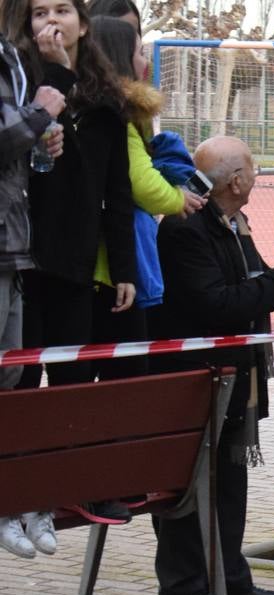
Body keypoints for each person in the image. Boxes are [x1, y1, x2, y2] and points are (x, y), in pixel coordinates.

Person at [150, 136, 274, 595]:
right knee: (189, 485)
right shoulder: (185, 228)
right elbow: (219, 302)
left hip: (234, 377)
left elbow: (252, 288)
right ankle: (184, 586)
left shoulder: (235, 221)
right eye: (253, 169)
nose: (257, 177)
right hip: (194, 379)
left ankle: (229, 576)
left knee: (230, 482)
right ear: (235, 181)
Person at [9, 0, 136, 530]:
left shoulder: (106, 102)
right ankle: (23, 494)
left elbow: (117, 192)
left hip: (76, 260)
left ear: (84, 24)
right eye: (39, 13)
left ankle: (79, 484)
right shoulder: (18, 92)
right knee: (20, 379)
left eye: (63, 10)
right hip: (21, 257)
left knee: (76, 375)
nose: (51, 22)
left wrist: (124, 267)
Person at [86, 14, 194, 383]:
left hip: (102, 263)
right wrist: (179, 198)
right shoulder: (118, 116)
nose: (145, 61)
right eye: (139, 52)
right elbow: (140, 181)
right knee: (128, 371)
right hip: (112, 265)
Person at [0, 27, 64, 560]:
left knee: (13, 379)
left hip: (14, 246)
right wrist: (39, 113)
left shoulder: (10, 54)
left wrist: (42, 144)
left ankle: (21, 502)